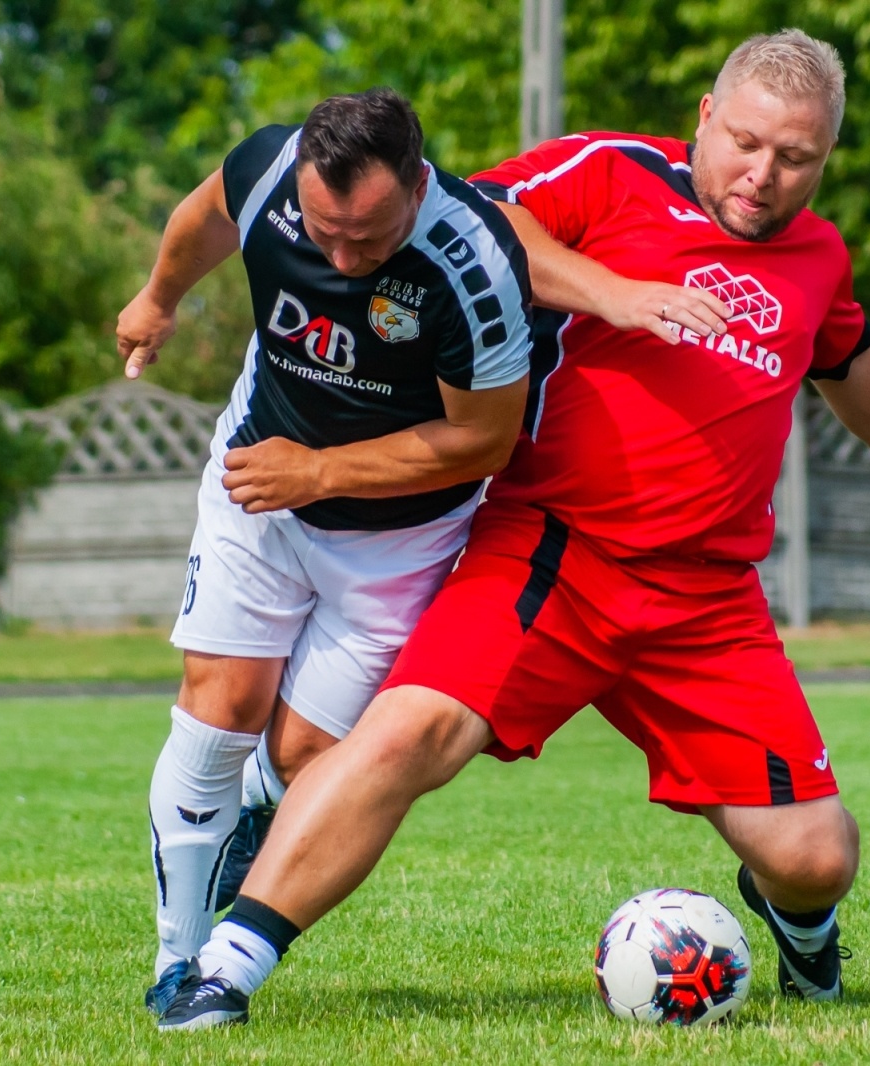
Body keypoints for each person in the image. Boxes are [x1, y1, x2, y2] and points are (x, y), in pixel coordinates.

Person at [157, 30, 870, 1031]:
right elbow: (468, 222)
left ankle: (805, 939)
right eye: (745, 142)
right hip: (551, 554)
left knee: (815, 857)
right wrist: (615, 292)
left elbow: (847, 352)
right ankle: (224, 970)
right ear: (705, 114)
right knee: (407, 733)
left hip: (706, 600)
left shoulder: (815, 253)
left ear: (825, 156)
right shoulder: (607, 174)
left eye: (796, 158)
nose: (762, 174)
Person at [114, 87, 536, 1017]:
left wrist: (323, 472)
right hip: (259, 475)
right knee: (218, 704)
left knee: (309, 755)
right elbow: (205, 215)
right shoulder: (269, 166)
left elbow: (485, 442)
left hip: (400, 537)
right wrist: (158, 297)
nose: (343, 258)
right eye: (324, 231)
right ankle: (179, 968)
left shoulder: (477, 266)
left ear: (420, 185)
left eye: (370, 237)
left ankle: (257, 803)